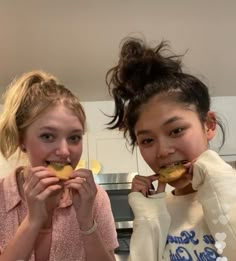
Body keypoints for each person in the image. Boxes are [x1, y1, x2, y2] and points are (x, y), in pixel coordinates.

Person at [106, 38, 236, 260]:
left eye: (176, 131)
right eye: (147, 140)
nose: (163, 151)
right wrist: (147, 218)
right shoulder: (157, 211)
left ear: (209, 125)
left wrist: (218, 180)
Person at [0, 70, 118, 261]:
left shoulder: (96, 198)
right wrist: (32, 221)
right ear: (22, 141)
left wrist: (87, 222)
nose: (65, 151)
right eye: (47, 136)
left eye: (74, 138)